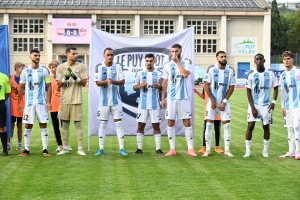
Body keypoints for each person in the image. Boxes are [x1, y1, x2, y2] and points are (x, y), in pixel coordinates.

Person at [161, 44, 197, 157]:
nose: (174, 53)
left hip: (183, 97)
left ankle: (190, 149)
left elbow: (186, 74)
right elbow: (165, 82)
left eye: (176, 51)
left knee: (187, 121)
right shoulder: (167, 65)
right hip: (171, 99)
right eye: (172, 51)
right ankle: (172, 149)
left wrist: (177, 62)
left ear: (181, 51)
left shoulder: (187, 62)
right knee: (170, 122)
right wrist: (163, 98)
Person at [93, 47, 128, 156]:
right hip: (103, 102)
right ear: (104, 55)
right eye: (108, 55)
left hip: (116, 101)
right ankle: (101, 148)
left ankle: (122, 148)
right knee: (103, 124)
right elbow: (97, 83)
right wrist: (105, 81)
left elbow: (122, 82)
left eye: (111, 55)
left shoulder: (118, 66)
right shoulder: (98, 66)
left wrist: (112, 81)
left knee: (119, 123)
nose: (110, 57)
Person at [18, 49, 52, 157]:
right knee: (28, 125)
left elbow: (49, 86)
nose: (37, 57)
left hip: (41, 102)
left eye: (39, 55)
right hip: (29, 103)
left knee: (43, 124)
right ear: (30, 57)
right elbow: (21, 87)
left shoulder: (44, 70)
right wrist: (19, 102)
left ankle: (45, 149)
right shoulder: (25, 71)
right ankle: (26, 150)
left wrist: (49, 101)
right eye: (35, 55)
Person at [244, 54, 278, 158]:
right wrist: (253, 107)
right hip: (254, 104)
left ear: (264, 60)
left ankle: (265, 151)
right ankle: (248, 151)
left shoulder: (271, 73)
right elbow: (248, 92)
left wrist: (273, 102)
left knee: (266, 127)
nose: (259, 61)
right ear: (254, 61)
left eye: (261, 59)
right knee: (250, 126)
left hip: (266, 105)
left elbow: (276, 88)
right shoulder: (250, 74)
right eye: (257, 59)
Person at [56, 46, 88, 156]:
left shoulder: (81, 66)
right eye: (73, 53)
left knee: (78, 124)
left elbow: (84, 83)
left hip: (77, 100)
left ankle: (80, 148)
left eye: (76, 53)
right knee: (64, 124)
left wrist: (74, 77)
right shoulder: (60, 67)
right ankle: (65, 147)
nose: (76, 55)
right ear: (67, 55)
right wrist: (66, 77)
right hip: (64, 100)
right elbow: (58, 84)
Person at [202, 50, 235, 157]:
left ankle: (227, 150)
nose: (224, 58)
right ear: (217, 58)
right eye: (221, 57)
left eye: (225, 56)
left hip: (224, 103)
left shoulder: (230, 70)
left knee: (227, 125)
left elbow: (231, 87)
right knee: (209, 125)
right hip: (212, 102)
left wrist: (224, 101)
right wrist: (211, 100)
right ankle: (207, 150)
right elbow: (206, 85)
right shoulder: (211, 69)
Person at [133, 53, 164, 154]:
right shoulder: (140, 73)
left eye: (151, 61)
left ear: (154, 61)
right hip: (143, 105)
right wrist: (140, 86)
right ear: (144, 62)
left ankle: (158, 149)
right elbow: (134, 87)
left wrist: (159, 86)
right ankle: (139, 148)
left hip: (155, 105)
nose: (149, 63)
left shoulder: (159, 73)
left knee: (156, 126)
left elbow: (163, 87)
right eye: (147, 61)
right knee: (140, 126)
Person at [279, 51, 300, 160]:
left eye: (288, 58)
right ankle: (291, 151)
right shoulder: (282, 75)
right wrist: (282, 106)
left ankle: (298, 151)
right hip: (288, 106)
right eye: (284, 59)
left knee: (296, 126)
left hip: (298, 105)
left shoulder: (297, 72)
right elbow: (283, 92)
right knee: (290, 128)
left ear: (292, 59)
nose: (286, 61)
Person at [49, 60, 70, 152]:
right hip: (53, 106)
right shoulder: (49, 78)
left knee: (64, 126)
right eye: (50, 67)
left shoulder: (63, 77)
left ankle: (66, 144)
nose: (52, 69)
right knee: (55, 126)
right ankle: (59, 144)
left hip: (63, 105)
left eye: (53, 67)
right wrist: (48, 102)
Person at [194, 88, 223, 154]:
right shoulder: (205, 85)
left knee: (217, 128)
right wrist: (196, 92)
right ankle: (204, 146)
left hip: (217, 108)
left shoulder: (218, 83)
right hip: (208, 109)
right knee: (206, 128)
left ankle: (217, 147)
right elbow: (204, 96)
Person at [9, 62, 25, 151]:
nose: (22, 70)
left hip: (20, 105)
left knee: (19, 124)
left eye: (23, 68)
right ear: (16, 68)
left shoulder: (24, 79)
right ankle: (9, 143)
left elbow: (23, 91)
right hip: (12, 104)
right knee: (11, 124)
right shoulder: (10, 77)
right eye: (21, 68)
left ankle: (19, 144)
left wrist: (14, 86)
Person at [0, 72, 11, 156]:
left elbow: (8, 92)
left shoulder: (4, 77)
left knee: (2, 128)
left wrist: (3, 101)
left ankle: (5, 150)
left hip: (1, 104)